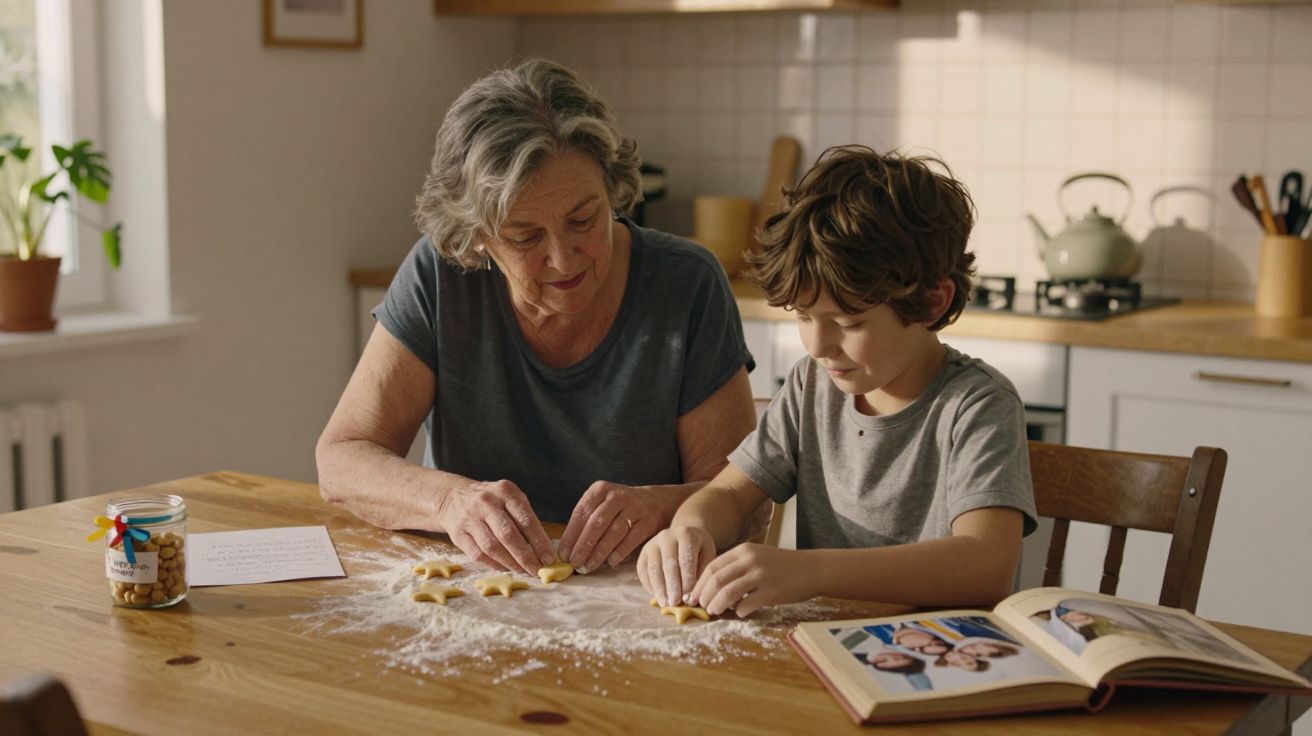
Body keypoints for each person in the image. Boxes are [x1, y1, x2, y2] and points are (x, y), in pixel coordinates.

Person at [316, 59, 758, 576]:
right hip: (474, 590)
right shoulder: (441, 276)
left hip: (642, 593)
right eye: (525, 237)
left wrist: (663, 507)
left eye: (584, 219)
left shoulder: (686, 284)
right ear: (476, 238)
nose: (564, 260)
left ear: (612, 190)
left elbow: (746, 501)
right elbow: (342, 459)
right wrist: (448, 501)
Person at [637, 145, 1037, 616]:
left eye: (848, 323)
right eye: (804, 317)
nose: (817, 346)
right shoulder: (812, 386)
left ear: (932, 302)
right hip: (823, 642)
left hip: (939, 650)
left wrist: (811, 571)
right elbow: (727, 493)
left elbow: (985, 566)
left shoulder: (978, 406)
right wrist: (690, 529)